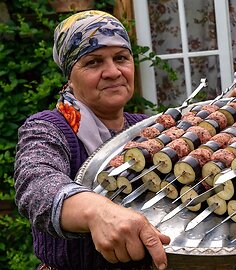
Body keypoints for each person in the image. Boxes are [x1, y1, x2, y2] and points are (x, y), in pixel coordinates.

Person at [14, 10, 170, 270]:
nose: (112, 72)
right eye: (93, 62)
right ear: (70, 76)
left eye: (121, 58)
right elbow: (36, 184)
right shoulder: (47, 128)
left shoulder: (146, 128)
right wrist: (97, 212)